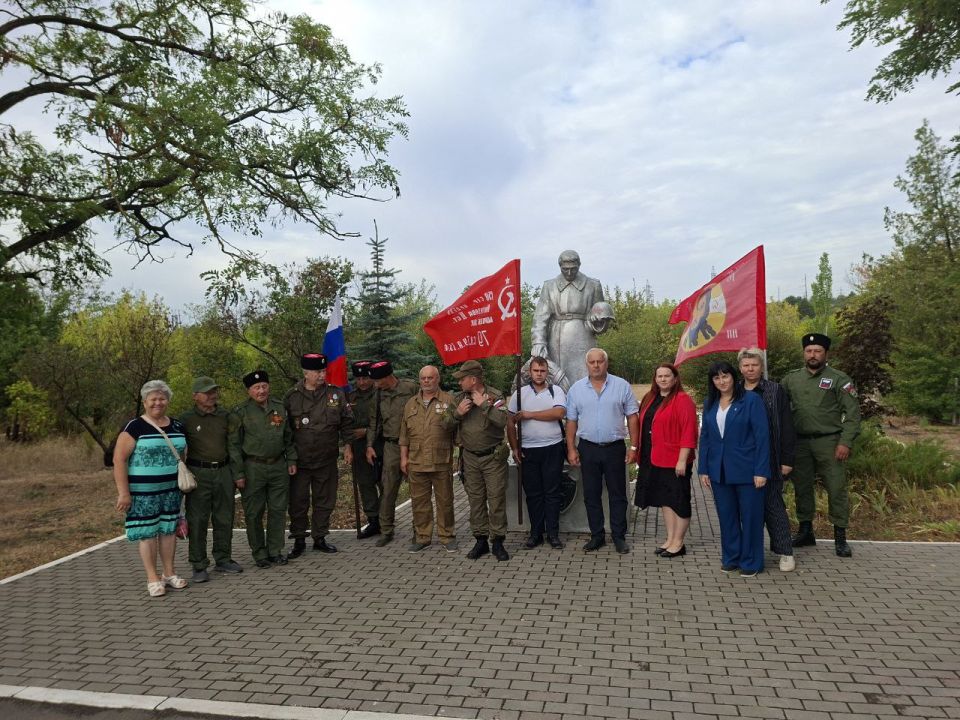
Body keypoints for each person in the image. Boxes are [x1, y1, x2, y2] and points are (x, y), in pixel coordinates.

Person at [780, 333, 862, 557]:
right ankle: (806, 532)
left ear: (826, 353)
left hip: (830, 442)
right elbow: (776, 404)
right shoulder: (791, 379)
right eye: (809, 351)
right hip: (800, 443)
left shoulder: (839, 379)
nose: (813, 355)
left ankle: (840, 538)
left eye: (817, 351)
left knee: (836, 488)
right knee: (802, 488)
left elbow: (853, 414)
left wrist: (845, 442)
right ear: (804, 353)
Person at [113, 380, 189, 597]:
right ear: (144, 401)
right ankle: (152, 577)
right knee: (147, 533)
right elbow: (119, 460)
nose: (158, 402)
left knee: (168, 531)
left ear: (168, 401)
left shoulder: (177, 425)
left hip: (171, 490)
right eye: (153, 399)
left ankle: (169, 573)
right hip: (142, 492)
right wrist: (124, 493)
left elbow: (183, 455)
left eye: (162, 398)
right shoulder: (134, 427)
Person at [698, 361, 770, 577]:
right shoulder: (710, 403)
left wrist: (761, 470)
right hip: (718, 472)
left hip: (748, 471)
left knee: (750, 518)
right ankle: (731, 557)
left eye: (725, 376)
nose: (722, 381)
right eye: (717, 378)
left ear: (733, 377)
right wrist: (703, 469)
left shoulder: (751, 400)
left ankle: (751, 562)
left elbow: (762, 437)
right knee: (727, 517)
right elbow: (706, 439)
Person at [565, 348, 640, 554]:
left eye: (600, 361)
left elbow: (633, 416)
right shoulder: (576, 389)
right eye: (592, 362)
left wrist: (633, 446)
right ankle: (597, 535)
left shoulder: (621, 386)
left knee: (618, 494)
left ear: (606, 363)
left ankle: (618, 536)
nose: (596, 365)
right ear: (586, 364)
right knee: (591, 494)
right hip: (587, 448)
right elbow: (571, 421)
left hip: (614, 448)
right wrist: (571, 448)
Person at [284, 353, 354, 557]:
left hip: (326, 458)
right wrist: (289, 458)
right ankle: (298, 540)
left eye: (324, 371)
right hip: (300, 461)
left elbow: (347, 422)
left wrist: (348, 446)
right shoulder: (292, 396)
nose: (322, 375)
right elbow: (286, 432)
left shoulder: (335, 394)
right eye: (317, 371)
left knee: (325, 500)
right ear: (306, 373)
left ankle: (320, 537)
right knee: (298, 501)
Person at [229, 369, 297, 568]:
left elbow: (289, 437)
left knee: (278, 510)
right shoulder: (240, 412)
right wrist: (239, 473)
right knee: (254, 513)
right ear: (249, 391)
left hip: (278, 466)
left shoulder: (279, 408)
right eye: (256, 387)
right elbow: (233, 445)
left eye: (264, 386)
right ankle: (259, 553)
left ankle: (275, 551)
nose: (261, 390)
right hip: (253, 468)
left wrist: (291, 460)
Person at [179, 376, 244, 583]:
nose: (212, 396)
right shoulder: (186, 419)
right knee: (197, 520)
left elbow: (234, 446)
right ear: (195, 396)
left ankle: (223, 558)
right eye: (207, 392)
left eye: (214, 391)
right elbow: (178, 448)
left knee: (224, 517)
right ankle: (198, 564)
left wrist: (237, 473)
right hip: (199, 474)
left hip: (223, 471)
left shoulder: (226, 416)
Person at [738, 348, 797, 572]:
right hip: (743, 460)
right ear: (740, 368)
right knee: (748, 509)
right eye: (746, 365)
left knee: (774, 506)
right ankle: (751, 553)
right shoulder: (735, 391)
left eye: (754, 365)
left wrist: (787, 459)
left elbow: (787, 426)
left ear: (761, 367)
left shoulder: (774, 390)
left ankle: (785, 552)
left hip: (771, 459)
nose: (750, 369)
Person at [446, 359, 511, 561]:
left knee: (496, 499)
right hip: (470, 458)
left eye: (462, 379)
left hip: (492, 457)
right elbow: (444, 425)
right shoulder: (458, 399)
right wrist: (457, 414)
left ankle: (498, 542)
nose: (459, 383)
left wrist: (484, 406)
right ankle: (480, 541)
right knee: (475, 501)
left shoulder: (494, 396)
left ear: (473, 380)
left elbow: (502, 421)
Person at [632, 363, 698, 559]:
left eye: (666, 376)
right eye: (659, 376)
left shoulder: (682, 400)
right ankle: (670, 539)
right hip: (653, 458)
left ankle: (679, 542)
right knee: (665, 501)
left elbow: (689, 431)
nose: (662, 379)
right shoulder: (649, 398)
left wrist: (682, 459)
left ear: (675, 378)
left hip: (675, 461)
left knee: (679, 501)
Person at [506, 355, 566, 550]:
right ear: (529, 373)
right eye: (536, 371)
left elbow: (558, 413)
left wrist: (530, 415)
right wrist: (514, 447)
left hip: (552, 447)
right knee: (533, 494)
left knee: (552, 492)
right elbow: (510, 422)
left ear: (547, 372)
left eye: (542, 370)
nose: (539, 374)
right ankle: (536, 533)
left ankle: (553, 534)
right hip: (528, 450)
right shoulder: (520, 394)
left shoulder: (555, 391)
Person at [530, 250, 610, 390]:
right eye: (565, 269)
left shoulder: (593, 285)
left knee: (585, 375)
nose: (568, 272)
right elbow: (540, 317)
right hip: (556, 336)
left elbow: (598, 312)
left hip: (583, 335)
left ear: (579, 265)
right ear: (559, 266)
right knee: (557, 378)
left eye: (573, 269)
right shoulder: (550, 286)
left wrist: (599, 321)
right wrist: (538, 341)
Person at [399, 365, 458, 552]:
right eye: (423, 378)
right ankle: (423, 537)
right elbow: (404, 435)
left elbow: (457, 431)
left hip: (441, 460)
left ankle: (447, 536)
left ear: (437, 379)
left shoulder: (449, 401)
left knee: (445, 501)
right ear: (419, 380)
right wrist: (403, 458)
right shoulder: (410, 404)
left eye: (430, 378)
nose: (426, 381)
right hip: (416, 462)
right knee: (419, 502)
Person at [365, 361, 418, 547]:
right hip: (391, 447)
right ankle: (386, 530)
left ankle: (418, 531)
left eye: (377, 380)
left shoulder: (411, 388)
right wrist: (369, 445)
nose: (375, 384)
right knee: (388, 490)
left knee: (417, 490)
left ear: (388, 377)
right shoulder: (377, 395)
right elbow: (374, 422)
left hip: (414, 446)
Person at [347, 360, 382, 538]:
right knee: (365, 484)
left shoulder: (380, 394)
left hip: (380, 446)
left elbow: (386, 422)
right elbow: (345, 424)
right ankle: (373, 520)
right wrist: (347, 447)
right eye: (358, 378)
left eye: (365, 378)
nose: (362, 382)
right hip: (358, 448)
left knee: (384, 483)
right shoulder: (351, 398)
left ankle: (386, 519)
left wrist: (366, 431)